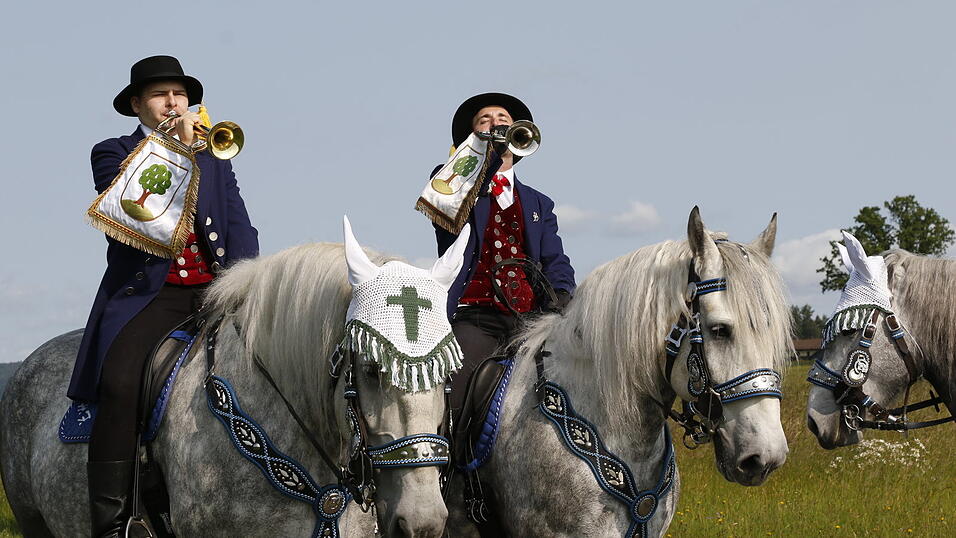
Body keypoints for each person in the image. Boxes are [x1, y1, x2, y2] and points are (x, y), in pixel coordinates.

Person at [68, 55, 259, 537]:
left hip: (216, 292)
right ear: (137, 105)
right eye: (159, 95)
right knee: (121, 383)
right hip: (152, 297)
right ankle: (116, 523)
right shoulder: (111, 151)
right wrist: (175, 149)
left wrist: (249, 282)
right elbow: (133, 215)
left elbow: (238, 223)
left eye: (180, 95)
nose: (173, 103)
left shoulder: (214, 155)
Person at [432, 92, 575, 414]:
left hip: (531, 318)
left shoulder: (539, 202)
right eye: (485, 121)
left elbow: (555, 259)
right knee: (453, 391)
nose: (495, 125)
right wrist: (486, 153)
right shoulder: (449, 179)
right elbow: (449, 211)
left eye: (503, 122)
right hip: (475, 317)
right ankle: (448, 461)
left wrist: (564, 293)